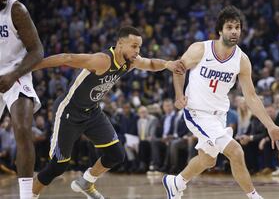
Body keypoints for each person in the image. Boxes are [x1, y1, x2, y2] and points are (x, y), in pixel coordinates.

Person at [31, 26, 185, 199]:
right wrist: (29, 67)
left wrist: (167, 64)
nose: (137, 51)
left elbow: (149, 63)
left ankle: (86, 182)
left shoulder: (130, 62)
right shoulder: (102, 60)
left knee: (116, 154)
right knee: (58, 165)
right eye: (134, 46)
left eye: (139, 47)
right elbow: (67, 58)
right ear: (120, 44)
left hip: (93, 112)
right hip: (69, 111)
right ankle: (29, 195)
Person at [163, 6, 279, 199]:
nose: (234, 31)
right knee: (236, 151)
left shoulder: (242, 60)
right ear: (220, 30)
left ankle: (176, 182)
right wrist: (179, 95)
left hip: (219, 115)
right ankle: (254, 196)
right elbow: (179, 69)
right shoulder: (200, 49)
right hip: (197, 112)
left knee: (208, 160)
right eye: (229, 27)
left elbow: (251, 97)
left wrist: (270, 126)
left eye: (237, 27)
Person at [0, 0, 44, 198]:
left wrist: (13, 75)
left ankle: (27, 195)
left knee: (23, 127)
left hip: (16, 72)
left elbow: (37, 51)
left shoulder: (16, 10)